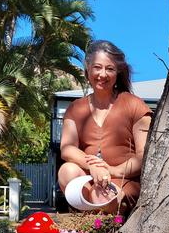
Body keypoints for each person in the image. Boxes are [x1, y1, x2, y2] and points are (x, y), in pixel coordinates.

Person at [58, 40, 152, 214]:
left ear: (118, 73)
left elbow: (143, 156)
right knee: (67, 170)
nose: (102, 74)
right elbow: (67, 149)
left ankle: (98, 222)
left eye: (109, 69)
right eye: (97, 67)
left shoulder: (134, 104)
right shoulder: (75, 108)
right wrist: (93, 166)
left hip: (123, 179)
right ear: (88, 70)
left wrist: (112, 170)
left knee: (101, 194)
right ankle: (86, 219)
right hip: (91, 176)